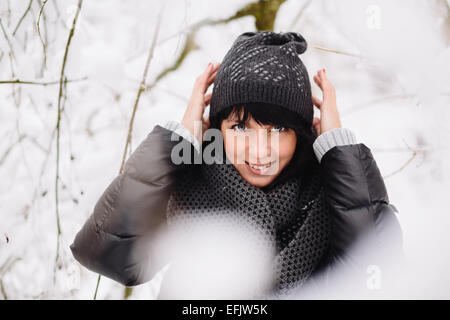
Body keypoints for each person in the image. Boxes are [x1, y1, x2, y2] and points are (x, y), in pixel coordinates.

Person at [70, 31, 403, 299]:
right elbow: (105, 253)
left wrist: (338, 152)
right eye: (241, 128)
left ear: (302, 134)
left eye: (279, 129)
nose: (260, 152)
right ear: (216, 128)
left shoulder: (334, 201)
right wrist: (176, 141)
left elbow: (377, 275)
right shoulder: (188, 191)